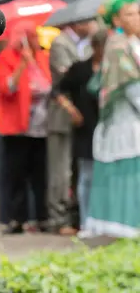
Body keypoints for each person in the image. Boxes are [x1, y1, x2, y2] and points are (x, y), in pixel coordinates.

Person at [86, 0, 140, 238]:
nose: (137, 18)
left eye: (138, 12)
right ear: (117, 20)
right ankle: (125, 227)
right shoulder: (118, 45)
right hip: (124, 120)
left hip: (132, 120)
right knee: (125, 174)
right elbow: (132, 88)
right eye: (130, 14)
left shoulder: (132, 42)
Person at [0, 22, 50, 234]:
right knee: (16, 175)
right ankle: (17, 219)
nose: (35, 39)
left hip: (40, 128)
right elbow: (6, 88)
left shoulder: (42, 57)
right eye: (31, 35)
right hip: (16, 128)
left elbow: (47, 85)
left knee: (39, 174)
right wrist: (22, 66)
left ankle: (41, 217)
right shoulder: (7, 58)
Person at [52, 29, 108, 232]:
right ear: (94, 47)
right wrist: (71, 110)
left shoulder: (110, 69)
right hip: (85, 128)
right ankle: (84, 220)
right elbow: (57, 90)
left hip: (106, 129)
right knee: (85, 175)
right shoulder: (81, 69)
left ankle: (101, 220)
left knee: (103, 177)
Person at [46, 17, 96, 234]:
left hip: (81, 118)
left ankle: (74, 215)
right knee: (60, 171)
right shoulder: (60, 43)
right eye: (90, 21)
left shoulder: (82, 46)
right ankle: (59, 218)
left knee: (75, 170)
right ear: (77, 22)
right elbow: (67, 76)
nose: (93, 25)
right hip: (61, 117)